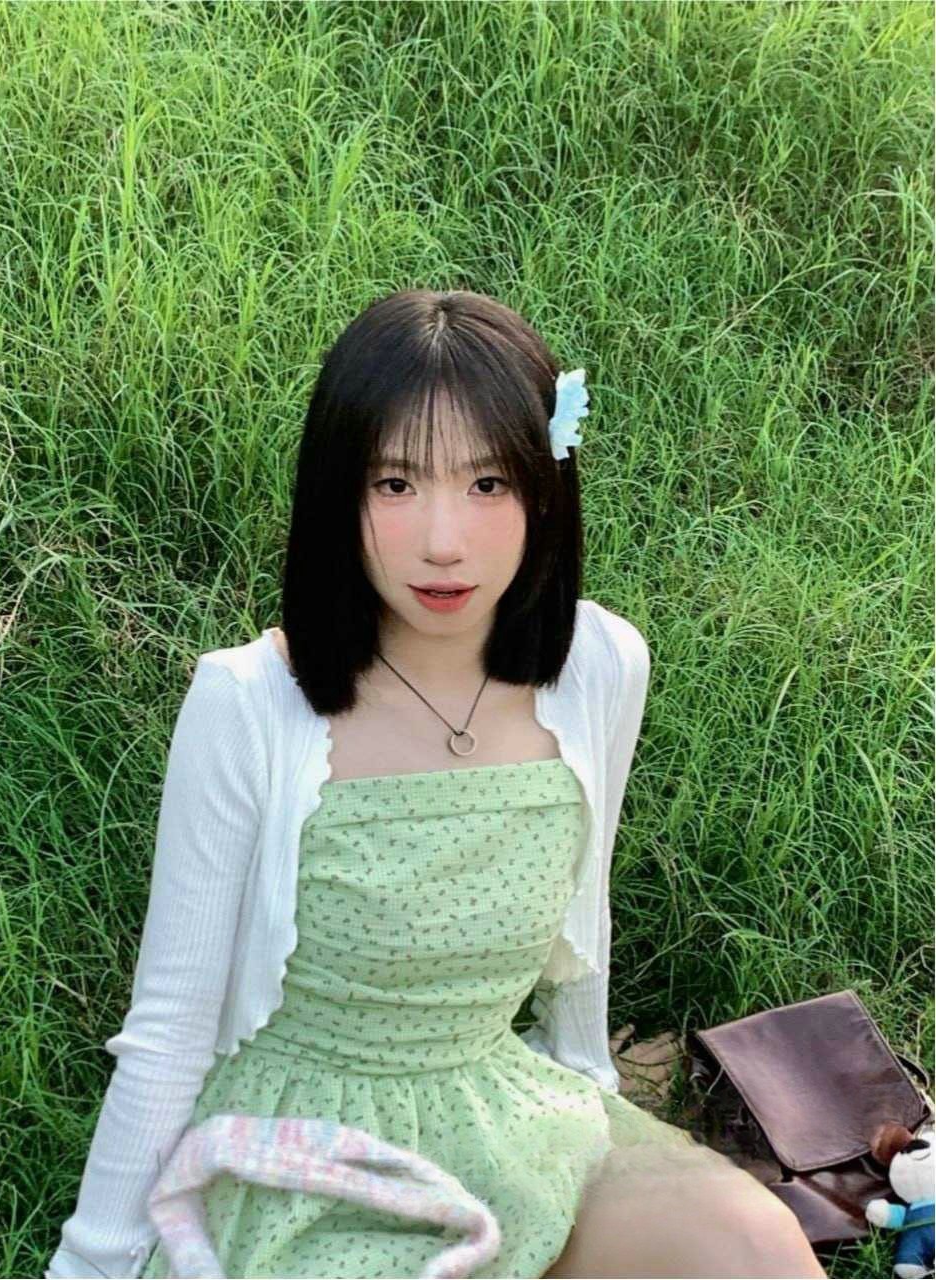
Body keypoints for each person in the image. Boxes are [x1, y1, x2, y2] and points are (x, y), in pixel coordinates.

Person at [45, 288, 826, 1279]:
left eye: (487, 482)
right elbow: (170, 1031)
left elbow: (580, 918)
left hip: (501, 1109)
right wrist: (93, 1262)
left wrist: (590, 1085)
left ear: (545, 490)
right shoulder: (248, 703)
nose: (443, 540)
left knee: (753, 1245)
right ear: (338, 493)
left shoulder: (597, 665)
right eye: (396, 482)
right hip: (309, 1151)